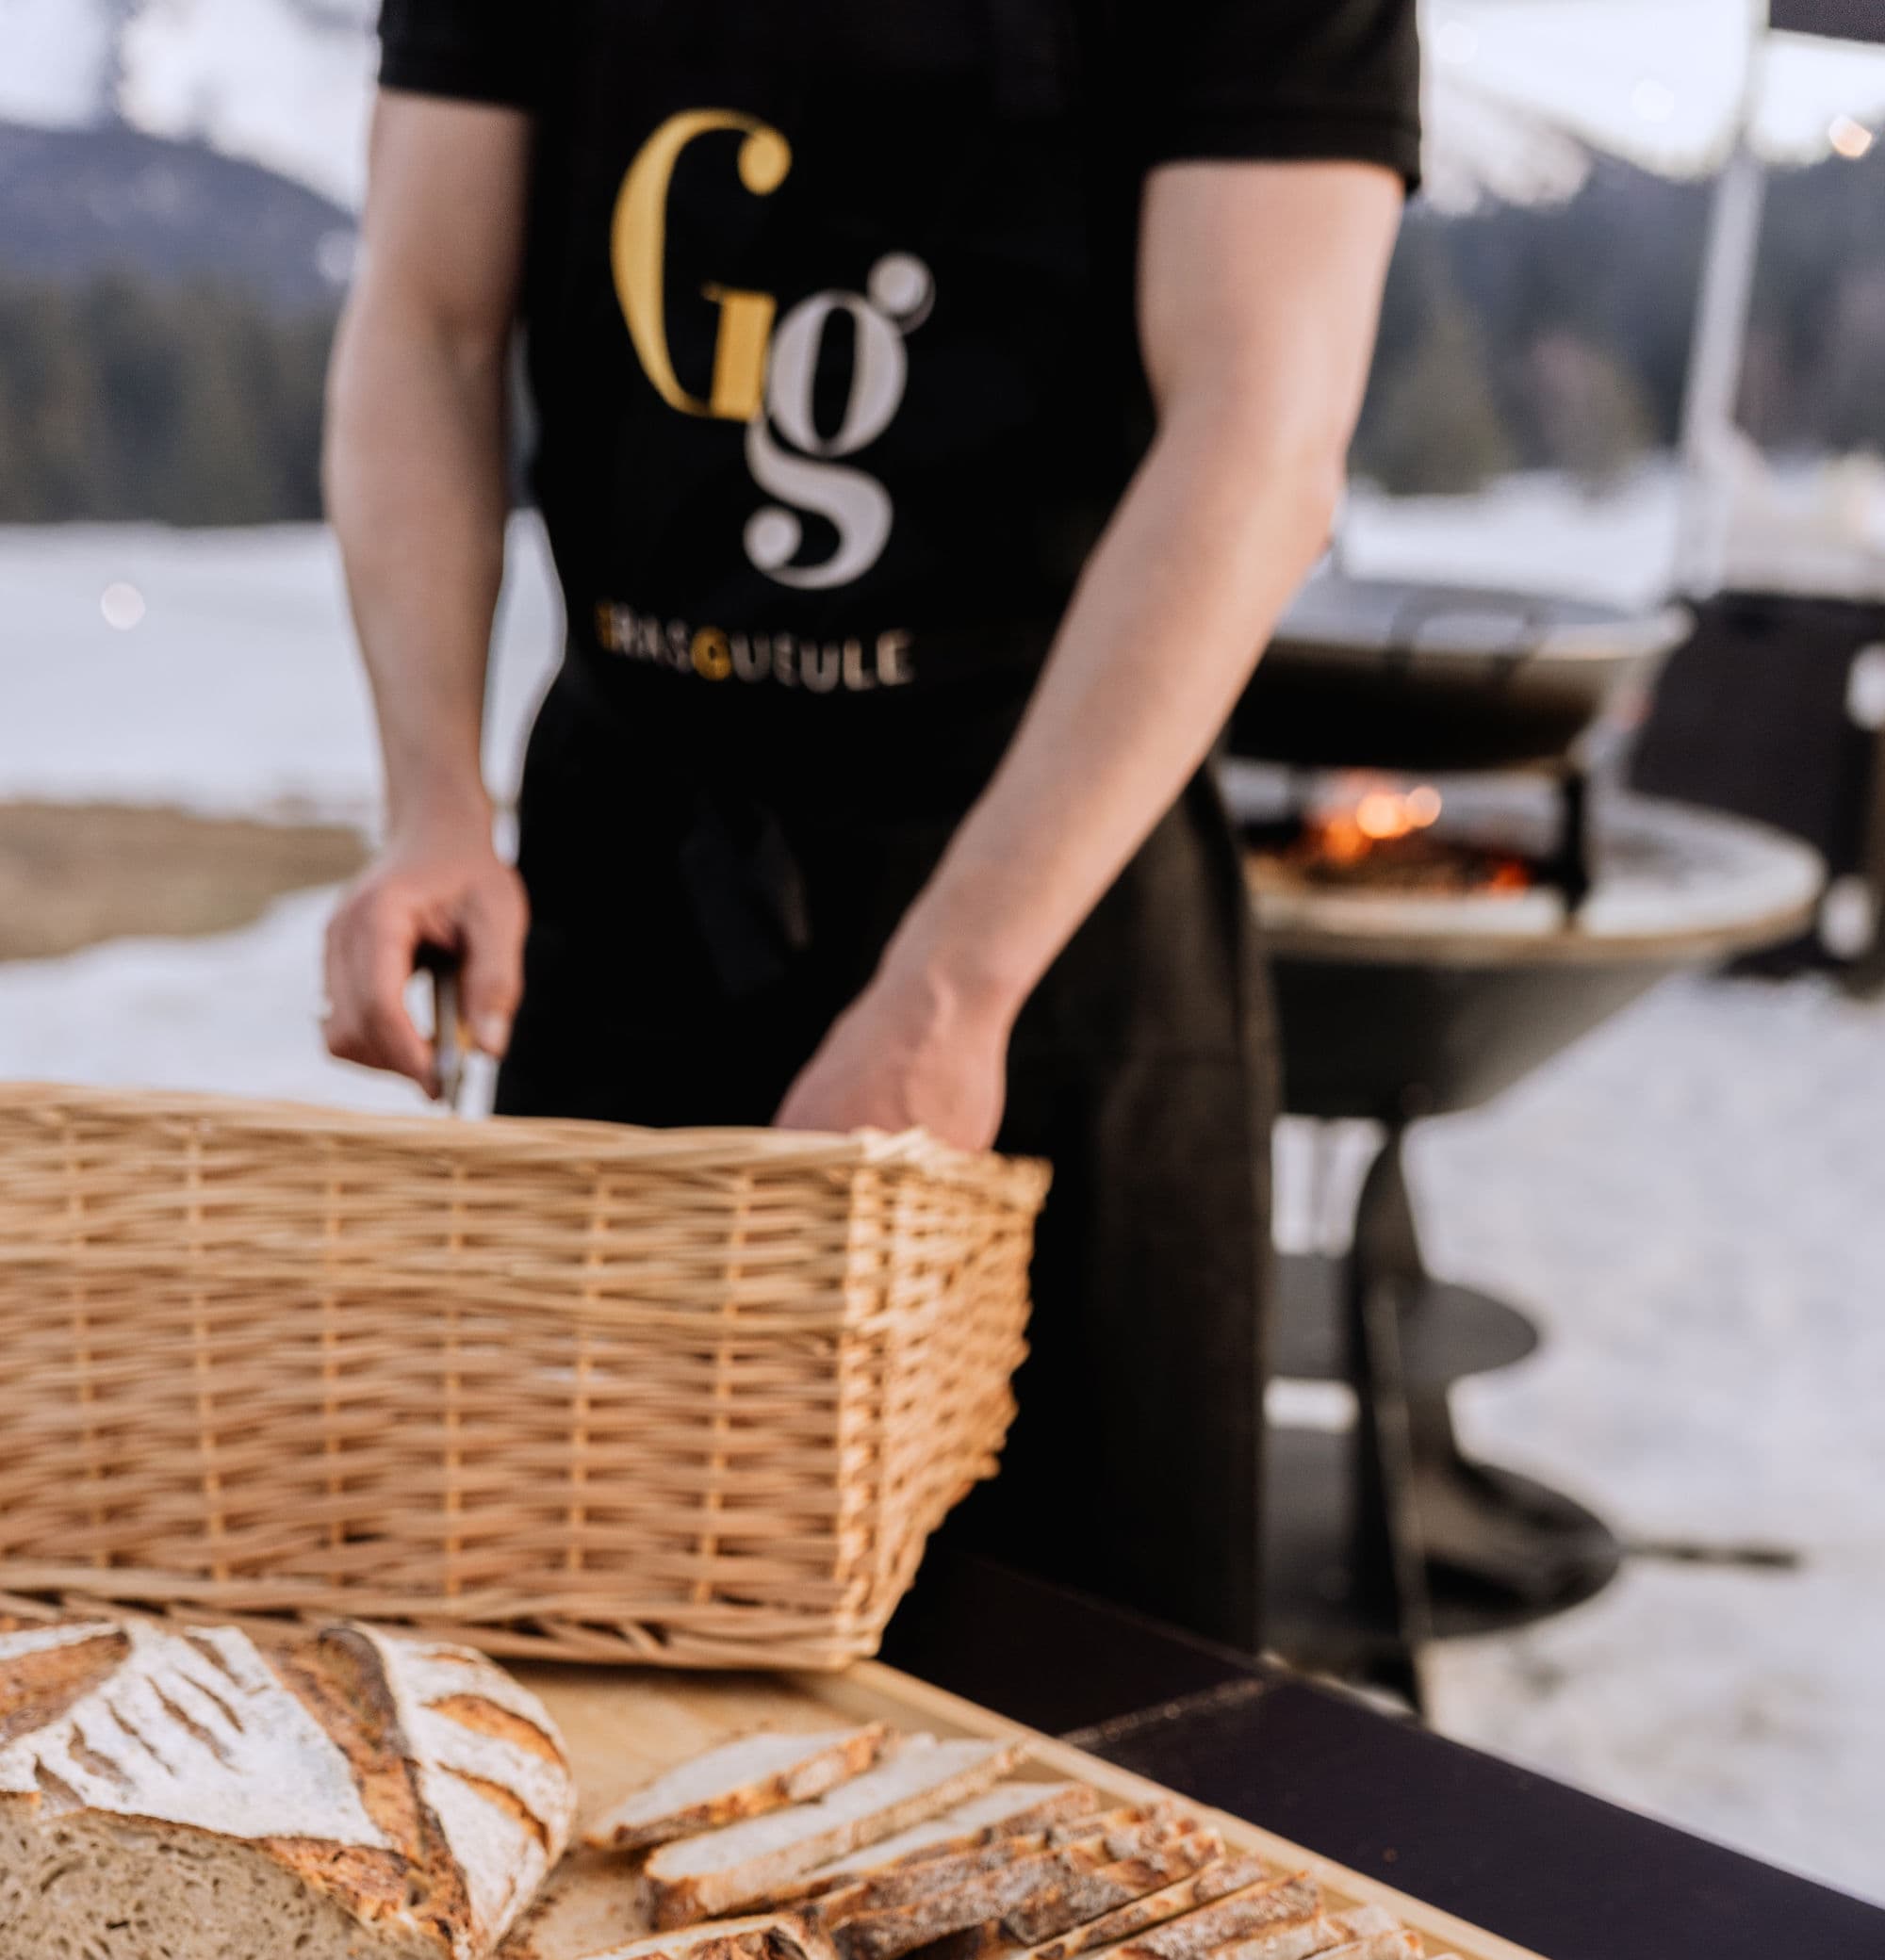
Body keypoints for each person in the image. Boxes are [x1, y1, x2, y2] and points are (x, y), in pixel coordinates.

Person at [323, 0, 1416, 1650]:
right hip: (632, 873)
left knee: (1086, 1709)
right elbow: (424, 321)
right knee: (588, 1649)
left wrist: (950, 990)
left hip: (1054, 897)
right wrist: (432, 801)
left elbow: (1260, 434)